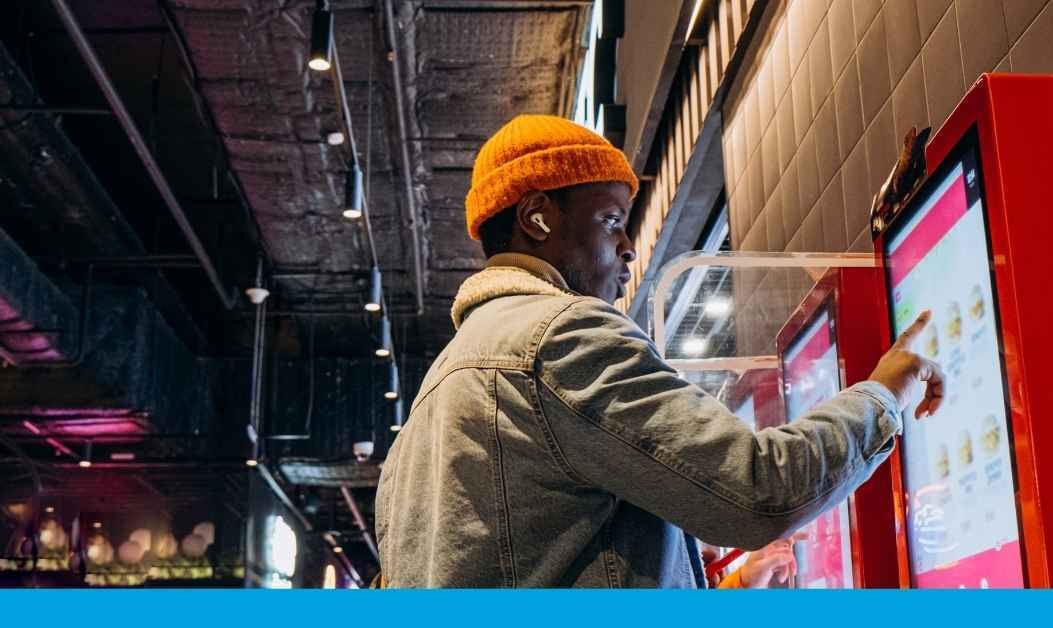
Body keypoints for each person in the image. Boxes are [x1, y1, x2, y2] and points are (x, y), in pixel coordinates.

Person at [374, 114, 944, 588]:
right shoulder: (560, 337)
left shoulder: (436, 395)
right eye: (611, 220)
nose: (627, 248)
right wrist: (884, 393)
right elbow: (755, 490)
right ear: (537, 217)